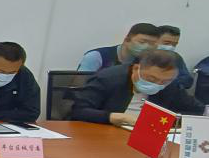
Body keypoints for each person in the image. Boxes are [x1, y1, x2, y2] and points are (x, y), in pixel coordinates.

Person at [70, 49, 205, 126]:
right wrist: (117, 118)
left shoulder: (170, 85)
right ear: (136, 68)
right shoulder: (108, 78)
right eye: (152, 79)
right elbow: (78, 111)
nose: (158, 84)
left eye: (165, 81)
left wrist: (169, 121)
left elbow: (197, 110)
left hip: (147, 138)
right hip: (106, 134)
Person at [77, 23, 160, 72]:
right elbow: (79, 86)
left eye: (152, 44)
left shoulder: (146, 62)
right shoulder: (97, 56)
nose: (147, 47)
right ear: (127, 39)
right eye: (142, 42)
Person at [156, 25, 194, 90]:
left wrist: (168, 81)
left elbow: (187, 81)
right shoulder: (143, 57)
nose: (171, 47)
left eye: (174, 44)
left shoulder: (176, 57)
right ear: (154, 40)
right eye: (166, 43)